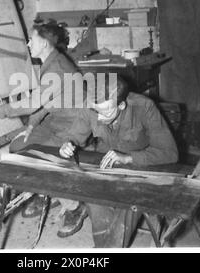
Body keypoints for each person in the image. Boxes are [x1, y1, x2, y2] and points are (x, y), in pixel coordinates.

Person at [0, 21, 88, 238]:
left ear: (43, 43)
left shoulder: (58, 67)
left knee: (45, 156)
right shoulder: (49, 63)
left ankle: (75, 206)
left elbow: (33, 102)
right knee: (19, 145)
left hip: (76, 125)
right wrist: (31, 125)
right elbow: (44, 104)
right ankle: (48, 192)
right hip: (58, 120)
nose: (27, 43)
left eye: (31, 39)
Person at [59, 75, 178, 247]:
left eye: (105, 112)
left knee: (128, 205)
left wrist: (129, 157)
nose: (98, 118)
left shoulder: (144, 107)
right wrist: (67, 144)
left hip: (141, 168)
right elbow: (74, 136)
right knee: (93, 197)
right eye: (95, 111)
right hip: (108, 167)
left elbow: (169, 153)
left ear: (121, 105)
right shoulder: (93, 105)